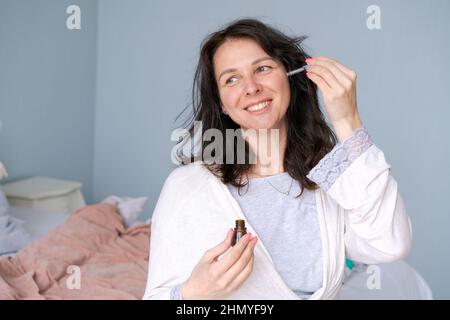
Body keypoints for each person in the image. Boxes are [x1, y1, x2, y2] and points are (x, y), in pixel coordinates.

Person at [143, 18, 412, 300]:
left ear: (290, 76)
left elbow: (390, 244)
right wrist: (192, 294)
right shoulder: (188, 186)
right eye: (231, 78)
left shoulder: (330, 180)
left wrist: (349, 122)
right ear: (221, 102)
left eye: (263, 68)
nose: (251, 87)